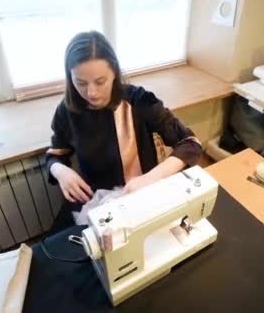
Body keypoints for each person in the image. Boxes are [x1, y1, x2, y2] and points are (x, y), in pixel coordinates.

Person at [45, 31, 202, 229]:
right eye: (81, 83)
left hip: (140, 196)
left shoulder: (139, 101)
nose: (91, 93)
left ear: (114, 73)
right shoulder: (67, 110)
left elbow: (191, 144)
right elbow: (55, 154)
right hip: (95, 202)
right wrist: (60, 171)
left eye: (100, 81)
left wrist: (149, 178)